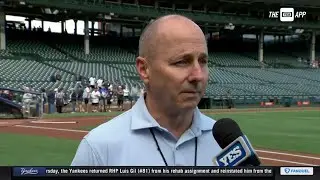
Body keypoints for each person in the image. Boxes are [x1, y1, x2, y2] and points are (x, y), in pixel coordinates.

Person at [71, 14, 221, 166]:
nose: (198, 75)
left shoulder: (228, 144)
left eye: (203, 61)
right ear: (144, 69)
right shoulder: (99, 148)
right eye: (181, 62)